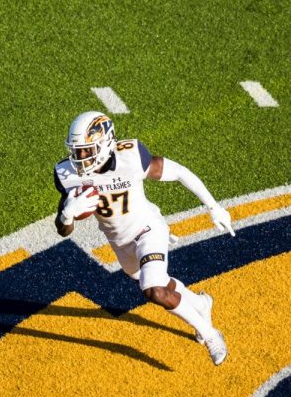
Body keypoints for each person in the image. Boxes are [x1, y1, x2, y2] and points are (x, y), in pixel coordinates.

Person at [53, 111, 236, 365]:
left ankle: (210, 334)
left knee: (154, 290)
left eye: (87, 150)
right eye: (77, 150)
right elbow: (63, 230)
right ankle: (201, 304)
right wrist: (67, 215)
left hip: (148, 229)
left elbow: (179, 172)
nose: (80, 158)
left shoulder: (131, 156)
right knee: (153, 280)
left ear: (106, 143)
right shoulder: (67, 173)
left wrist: (214, 207)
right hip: (119, 240)